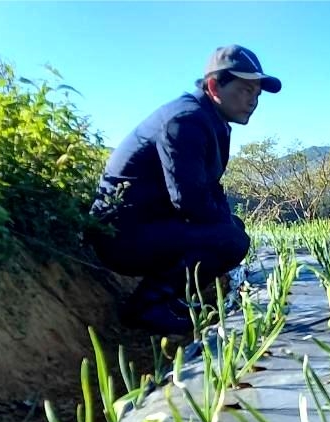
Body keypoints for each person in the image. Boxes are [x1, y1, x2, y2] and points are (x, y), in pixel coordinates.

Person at [88, 45, 281, 334]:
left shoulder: (210, 121)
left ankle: (168, 297)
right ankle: (146, 305)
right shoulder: (185, 120)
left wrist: (229, 225)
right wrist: (229, 233)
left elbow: (210, 190)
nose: (253, 101)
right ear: (215, 85)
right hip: (120, 235)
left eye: (256, 94)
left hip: (146, 225)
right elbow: (190, 201)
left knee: (232, 231)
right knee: (231, 241)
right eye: (244, 90)